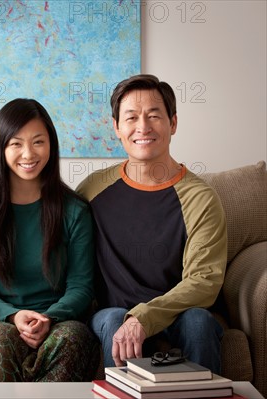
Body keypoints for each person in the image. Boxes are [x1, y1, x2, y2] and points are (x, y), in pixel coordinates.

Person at [77, 74, 226, 373]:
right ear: (116, 127)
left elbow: (203, 282)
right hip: (112, 313)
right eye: (131, 117)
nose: (142, 127)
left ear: (173, 123)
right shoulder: (92, 190)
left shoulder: (200, 198)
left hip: (178, 313)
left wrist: (145, 317)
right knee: (114, 318)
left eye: (154, 116)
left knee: (198, 321)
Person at [0, 98, 99, 382]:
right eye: (16, 144)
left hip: (62, 321)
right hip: (2, 320)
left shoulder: (75, 210)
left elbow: (82, 286)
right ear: (1, 148)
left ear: (51, 145)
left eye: (38, 142)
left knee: (73, 338)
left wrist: (50, 317)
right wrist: (13, 316)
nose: (28, 153)